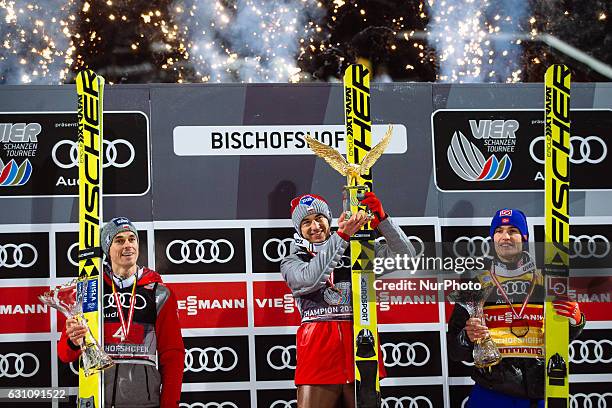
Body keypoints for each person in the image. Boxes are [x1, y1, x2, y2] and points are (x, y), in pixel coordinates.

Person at [281, 192, 416, 408]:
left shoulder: (357, 251)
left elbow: (407, 257)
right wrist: (342, 236)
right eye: (306, 222)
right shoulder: (292, 260)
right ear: (298, 230)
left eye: (319, 219)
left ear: (328, 219)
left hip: (361, 349)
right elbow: (312, 279)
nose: (314, 226)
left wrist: (383, 220)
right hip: (317, 356)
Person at [447, 209, 585, 408]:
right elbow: (455, 351)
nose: (505, 237)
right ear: (492, 238)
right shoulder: (475, 284)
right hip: (491, 392)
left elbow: (560, 339)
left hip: (537, 393)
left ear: (525, 236)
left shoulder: (547, 282)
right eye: (499, 231)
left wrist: (576, 321)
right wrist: (467, 337)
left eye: (513, 231)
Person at [58, 217, 185, 408]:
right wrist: (72, 341)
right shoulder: (90, 292)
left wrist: (169, 404)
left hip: (144, 403)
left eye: (132, 239)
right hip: (97, 400)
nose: (128, 245)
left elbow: (172, 354)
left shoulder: (159, 293)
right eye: (119, 240)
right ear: (107, 249)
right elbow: (65, 354)